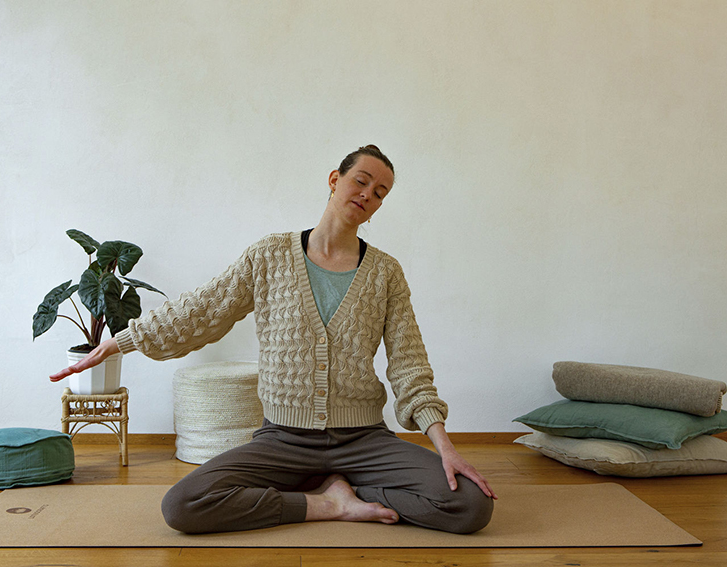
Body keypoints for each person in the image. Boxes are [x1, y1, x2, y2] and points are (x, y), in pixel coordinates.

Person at [50, 145, 497, 535]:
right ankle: (325, 502)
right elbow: (205, 308)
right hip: (284, 440)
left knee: (469, 506)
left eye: (380, 193)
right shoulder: (269, 255)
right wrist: (119, 342)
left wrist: (445, 446)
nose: (367, 195)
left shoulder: (385, 272)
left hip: (364, 440)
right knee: (182, 504)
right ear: (334, 179)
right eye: (361, 181)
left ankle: (345, 481)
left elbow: (409, 363)